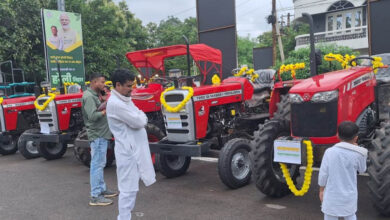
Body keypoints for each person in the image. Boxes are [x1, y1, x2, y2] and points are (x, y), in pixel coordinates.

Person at [106, 69, 156, 220]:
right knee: (127, 190)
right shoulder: (116, 103)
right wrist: (140, 117)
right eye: (128, 86)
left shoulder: (124, 99)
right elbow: (140, 120)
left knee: (132, 189)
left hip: (133, 151)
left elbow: (139, 115)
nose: (131, 89)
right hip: (128, 153)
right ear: (118, 85)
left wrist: (140, 117)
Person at [318, 121, 368, 220]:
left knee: (330, 215)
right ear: (356, 138)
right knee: (350, 215)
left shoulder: (329, 152)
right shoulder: (360, 153)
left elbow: (323, 174)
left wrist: (321, 190)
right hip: (349, 195)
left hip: (332, 194)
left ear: (337, 135)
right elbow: (362, 169)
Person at [82, 73, 117, 206]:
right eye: (101, 82)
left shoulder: (95, 95)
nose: (104, 85)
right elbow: (92, 116)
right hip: (97, 135)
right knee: (97, 165)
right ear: (94, 82)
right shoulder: (89, 96)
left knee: (100, 164)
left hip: (101, 134)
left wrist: (103, 99)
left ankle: (102, 189)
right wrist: (105, 111)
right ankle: (95, 196)